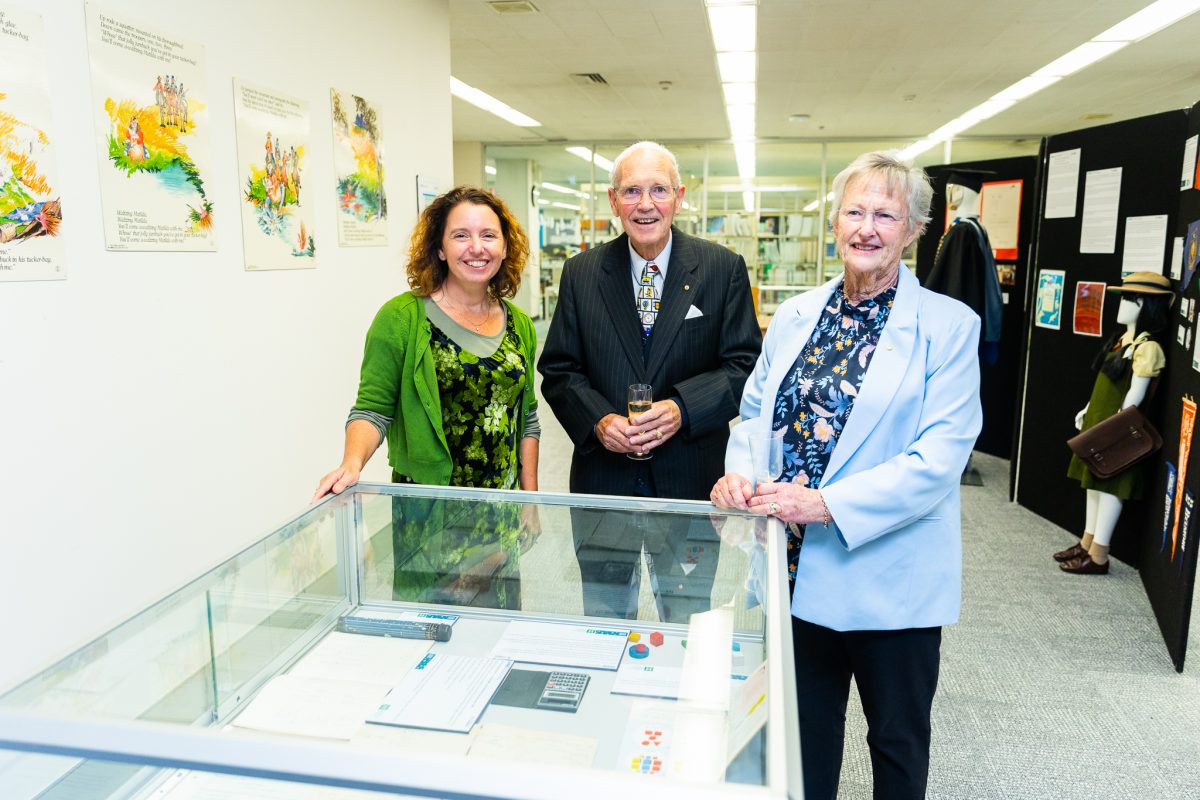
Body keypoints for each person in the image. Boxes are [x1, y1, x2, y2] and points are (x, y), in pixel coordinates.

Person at [711, 150, 982, 800]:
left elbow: (938, 459)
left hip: (890, 579)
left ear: (915, 229)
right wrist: (739, 477)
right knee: (804, 736)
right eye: (855, 211)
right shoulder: (799, 314)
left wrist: (824, 503)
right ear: (834, 221)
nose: (867, 228)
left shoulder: (948, 327)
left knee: (895, 741)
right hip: (794, 570)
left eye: (885, 215)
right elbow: (754, 410)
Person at [538, 140, 760, 621]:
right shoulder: (581, 274)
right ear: (614, 201)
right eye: (632, 191)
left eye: (658, 189)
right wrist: (599, 421)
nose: (645, 204)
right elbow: (558, 369)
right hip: (604, 481)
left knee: (685, 615)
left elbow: (744, 365)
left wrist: (682, 408)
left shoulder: (721, 270)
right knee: (603, 613)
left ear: (679, 197)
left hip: (688, 478)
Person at [312, 186, 541, 607]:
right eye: (461, 236)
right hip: (431, 511)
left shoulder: (519, 325)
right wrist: (351, 462)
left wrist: (530, 500)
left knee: (498, 627)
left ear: (506, 247)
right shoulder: (401, 318)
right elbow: (372, 409)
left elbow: (526, 418)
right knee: (432, 631)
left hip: (500, 513)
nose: (477, 248)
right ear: (438, 248)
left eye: (489, 235)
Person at [1058, 271, 1172, 574]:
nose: (1122, 306)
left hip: (1117, 431)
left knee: (1109, 489)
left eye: (1130, 300)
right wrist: (1088, 409)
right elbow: (1104, 383)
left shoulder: (1148, 348)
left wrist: (1116, 430)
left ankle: (1098, 555)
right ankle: (1086, 543)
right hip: (1100, 422)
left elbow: (1135, 396)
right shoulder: (1123, 340)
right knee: (1092, 485)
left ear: (1146, 306)